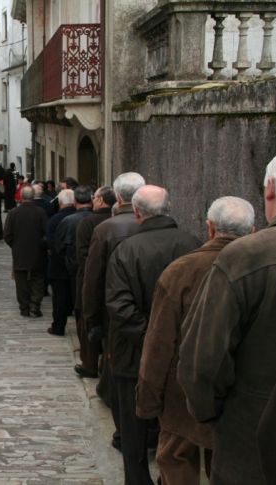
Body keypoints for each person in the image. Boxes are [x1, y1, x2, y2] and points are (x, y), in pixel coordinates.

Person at [178, 151, 276, 484]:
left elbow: (203, 362)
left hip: (252, 441)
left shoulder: (247, 256)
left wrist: (211, 415)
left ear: (269, 189)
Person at [136, 196, 254, 485]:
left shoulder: (181, 270)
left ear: (210, 228)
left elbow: (159, 344)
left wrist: (148, 401)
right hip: (239, 396)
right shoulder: (259, 269)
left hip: (182, 395)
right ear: (252, 231)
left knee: (176, 463)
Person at [105, 185, 199, 485]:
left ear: (136, 211)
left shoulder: (127, 250)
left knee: (132, 425)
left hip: (134, 352)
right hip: (183, 353)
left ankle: (137, 479)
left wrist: (151, 338)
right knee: (178, 423)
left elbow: (119, 305)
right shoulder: (194, 244)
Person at [82, 172, 145, 449]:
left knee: (121, 375)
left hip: (117, 315)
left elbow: (93, 278)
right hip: (155, 317)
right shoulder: (175, 234)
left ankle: (127, 433)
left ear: (117, 197)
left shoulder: (107, 229)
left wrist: (91, 319)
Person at [73, 186, 114, 378]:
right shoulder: (114, 221)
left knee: (88, 321)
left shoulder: (89, 223)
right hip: (116, 281)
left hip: (91, 279)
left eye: (95, 197)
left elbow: (82, 255)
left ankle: (89, 364)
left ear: (100, 201)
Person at [3, 186, 49, 318]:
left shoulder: (13, 213)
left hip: (20, 252)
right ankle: (35, 306)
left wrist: (15, 245)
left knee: (21, 280)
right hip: (38, 251)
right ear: (33, 196)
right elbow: (47, 232)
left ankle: (24, 307)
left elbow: (7, 235)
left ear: (21, 197)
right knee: (38, 279)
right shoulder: (40, 212)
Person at [54, 186, 94, 335]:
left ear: (75, 201)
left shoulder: (68, 221)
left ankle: (82, 335)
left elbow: (59, 246)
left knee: (79, 304)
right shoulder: (99, 219)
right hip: (96, 269)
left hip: (74, 269)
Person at [46, 189, 76, 336]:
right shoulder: (81, 217)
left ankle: (58, 327)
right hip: (77, 266)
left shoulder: (55, 219)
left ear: (60, 202)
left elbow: (50, 242)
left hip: (59, 265)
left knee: (59, 300)